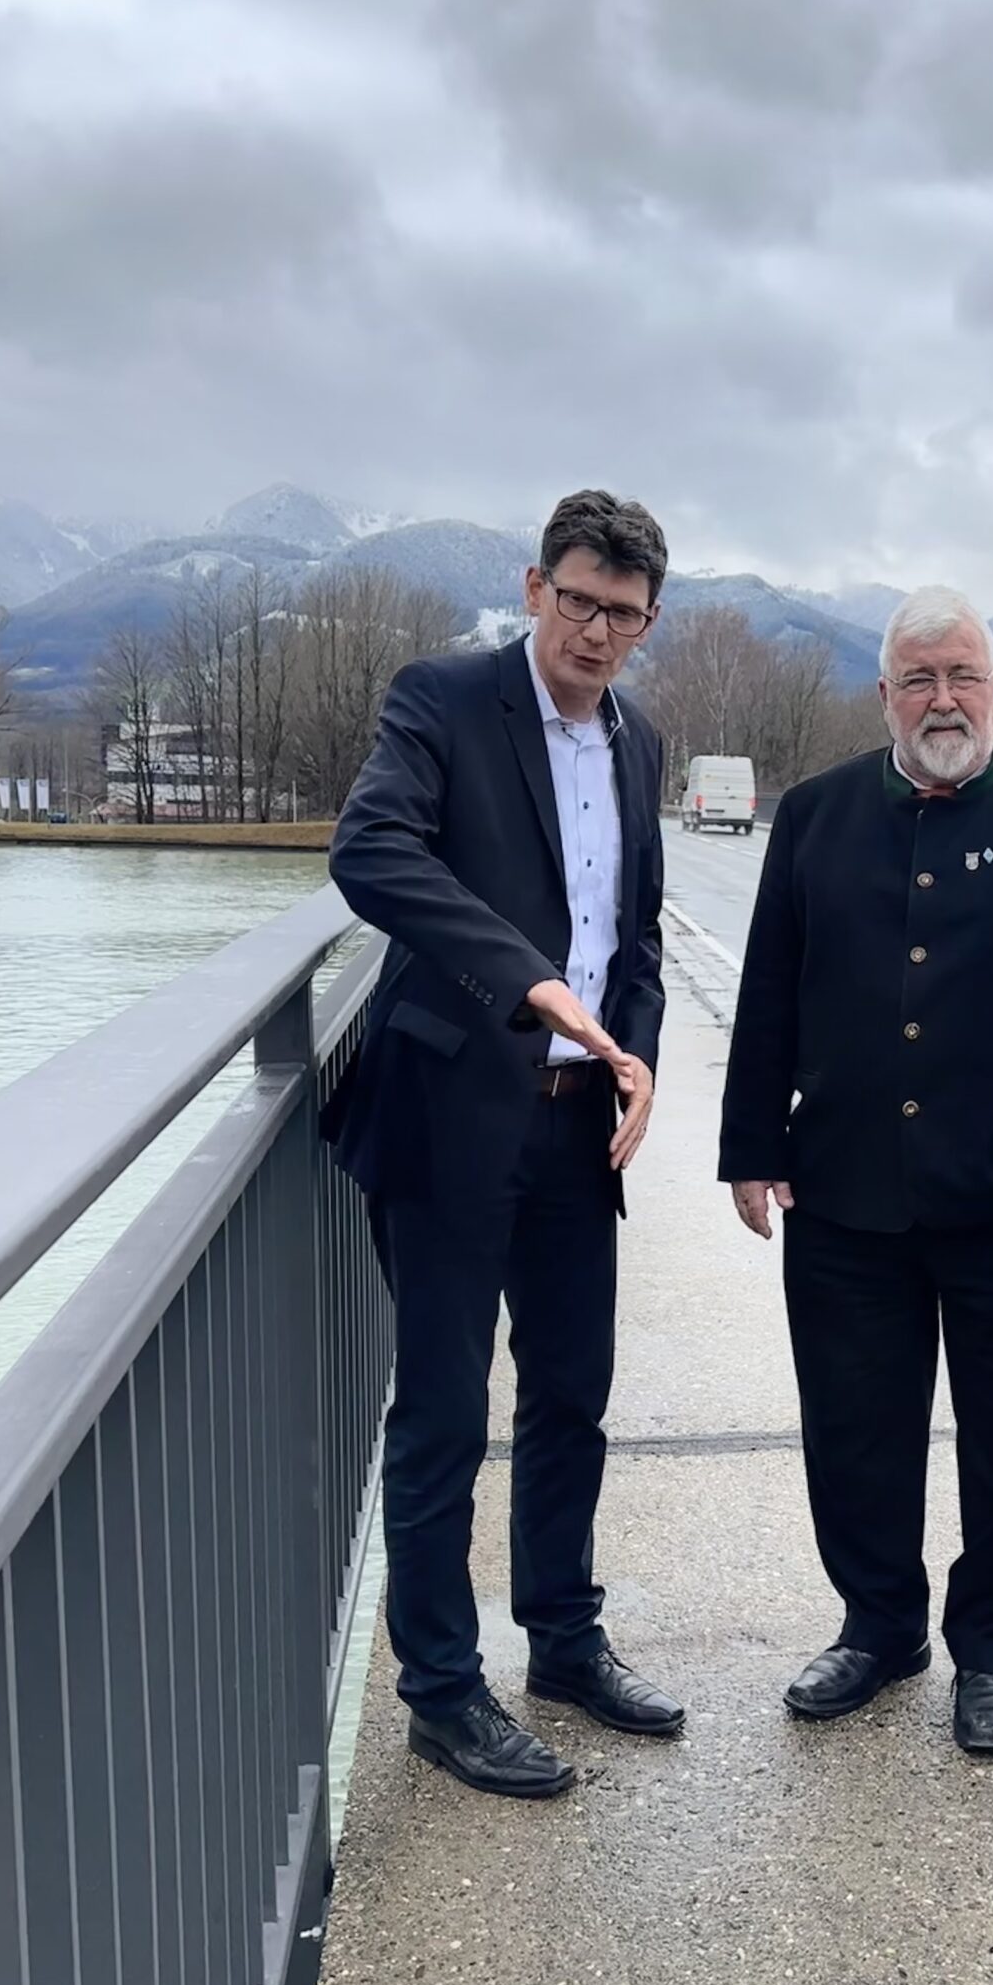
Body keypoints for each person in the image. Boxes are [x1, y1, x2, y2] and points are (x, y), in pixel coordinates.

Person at [719, 587, 993, 1754]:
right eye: (919, 678)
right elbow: (770, 987)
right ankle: (878, 1627)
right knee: (854, 1426)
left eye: (963, 674)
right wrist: (752, 1143)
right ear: (886, 695)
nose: (943, 698)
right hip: (848, 1188)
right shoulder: (815, 815)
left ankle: (992, 1650)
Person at [324, 488, 686, 1800]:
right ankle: (441, 1690)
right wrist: (528, 981)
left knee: (573, 1394)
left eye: (623, 615)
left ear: (647, 623)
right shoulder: (443, 701)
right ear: (536, 590)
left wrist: (634, 1056)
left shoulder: (639, 745)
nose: (596, 632)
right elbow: (371, 852)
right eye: (578, 601)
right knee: (441, 1411)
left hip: (577, 1124)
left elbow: (633, 939)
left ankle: (566, 1644)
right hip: (449, 1116)